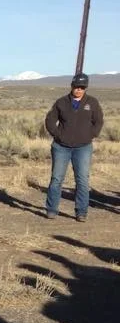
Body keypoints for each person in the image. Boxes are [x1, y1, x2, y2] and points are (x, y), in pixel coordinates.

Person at [43, 73, 103, 222]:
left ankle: (81, 212)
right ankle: (52, 210)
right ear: (72, 86)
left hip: (83, 147)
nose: (79, 90)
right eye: (77, 86)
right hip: (61, 147)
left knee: (82, 179)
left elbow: (99, 121)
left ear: (85, 88)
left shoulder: (92, 103)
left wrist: (91, 135)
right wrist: (57, 135)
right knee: (57, 179)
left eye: (82, 87)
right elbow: (50, 120)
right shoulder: (61, 102)